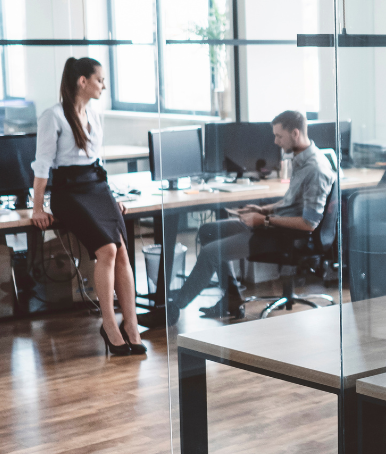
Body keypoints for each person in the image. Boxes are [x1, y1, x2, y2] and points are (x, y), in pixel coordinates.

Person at [167, 110, 334, 322]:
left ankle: (173, 309)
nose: (275, 141)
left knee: (210, 253)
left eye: (279, 136)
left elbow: (309, 223)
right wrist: (264, 209)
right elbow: (293, 202)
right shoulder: (302, 159)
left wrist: (263, 220)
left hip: (285, 236)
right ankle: (232, 298)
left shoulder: (315, 168)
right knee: (208, 230)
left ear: (295, 133)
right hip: (272, 225)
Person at [31, 57, 146, 357]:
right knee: (106, 250)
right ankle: (109, 325)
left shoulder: (95, 115)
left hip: (97, 187)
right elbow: (42, 164)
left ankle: (131, 325)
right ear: (82, 81)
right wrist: (37, 207)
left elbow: (98, 161)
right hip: (69, 192)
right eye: (100, 80)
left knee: (122, 250)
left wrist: (112, 195)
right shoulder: (52, 117)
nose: (104, 86)